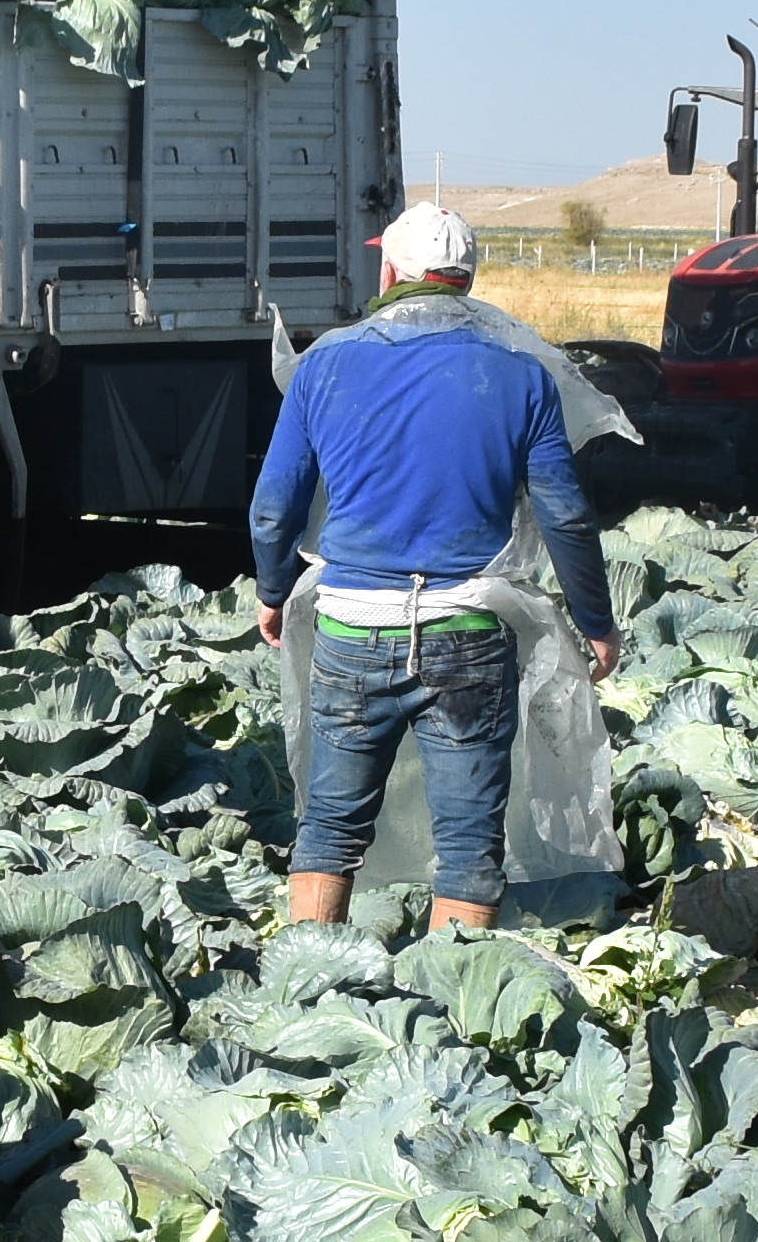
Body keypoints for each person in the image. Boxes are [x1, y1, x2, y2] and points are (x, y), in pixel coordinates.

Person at [248, 204, 615, 935]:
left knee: (329, 826)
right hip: (466, 632)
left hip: (352, 629)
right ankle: (452, 1007)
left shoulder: (324, 364)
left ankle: (306, 986)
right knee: (470, 846)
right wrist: (596, 624)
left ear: (390, 272)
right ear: (467, 279)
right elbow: (566, 517)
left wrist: (271, 590)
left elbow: (272, 508)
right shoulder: (521, 376)